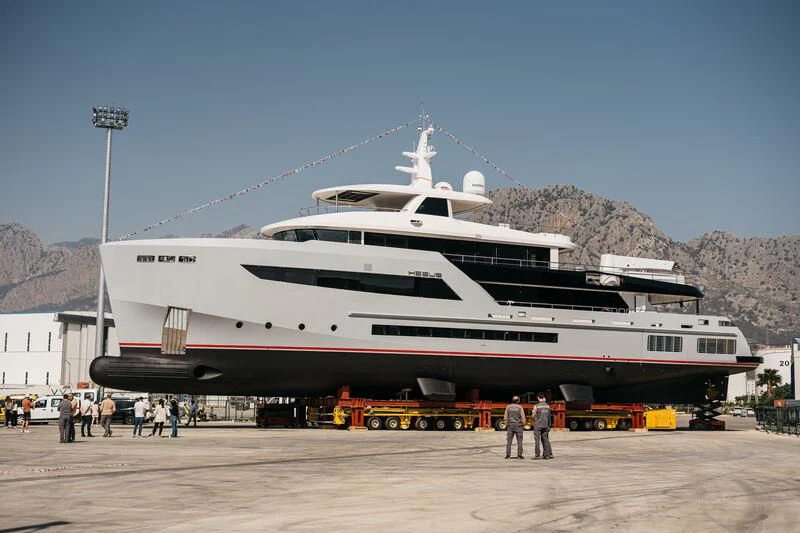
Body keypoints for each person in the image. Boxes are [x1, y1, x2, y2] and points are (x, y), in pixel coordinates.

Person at [532, 393, 553, 460]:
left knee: (537, 441)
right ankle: (546, 455)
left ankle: (537, 455)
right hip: (545, 425)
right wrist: (549, 425)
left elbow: (533, 415)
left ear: (538, 398)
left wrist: (535, 420)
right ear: (543, 397)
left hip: (538, 425)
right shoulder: (547, 406)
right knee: (545, 440)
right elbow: (549, 417)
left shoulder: (536, 406)